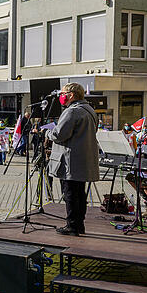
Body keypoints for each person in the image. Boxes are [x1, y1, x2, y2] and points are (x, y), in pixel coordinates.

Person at [46, 83, 99, 236]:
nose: (60, 97)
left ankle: (72, 226)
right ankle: (79, 224)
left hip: (71, 160)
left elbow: (59, 135)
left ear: (71, 95)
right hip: (83, 159)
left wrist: (47, 133)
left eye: (63, 94)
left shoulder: (72, 111)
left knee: (70, 194)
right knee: (79, 194)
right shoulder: (89, 110)